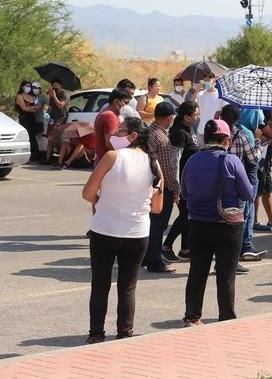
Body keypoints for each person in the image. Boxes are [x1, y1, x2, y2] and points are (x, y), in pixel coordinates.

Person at [82, 117, 164, 343]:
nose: (116, 133)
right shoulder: (153, 164)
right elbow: (157, 207)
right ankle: (124, 333)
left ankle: (96, 334)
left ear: (133, 135)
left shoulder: (112, 157)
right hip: (137, 233)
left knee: (100, 284)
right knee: (128, 287)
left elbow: (88, 192)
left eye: (121, 130)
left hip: (105, 229)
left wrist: (101, 201)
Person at [181, 120, 254, 325]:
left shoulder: (193, 160)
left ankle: (192, 316)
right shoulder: (231, 161)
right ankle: (226, 317)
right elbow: (248, 193)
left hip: (198, 224)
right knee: (226, 275)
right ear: (227, 140)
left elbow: (185, 193)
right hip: (227, 226)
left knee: (197, 272)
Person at [220, 104, 267, 265]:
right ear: (237, 118)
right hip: (237, 180)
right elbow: (253, 159)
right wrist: (259, 146)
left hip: (218, 180)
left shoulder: (215, 133)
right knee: (241, 216)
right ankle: (239, 251)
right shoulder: (242, 135)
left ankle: (227, 251)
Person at [143, 102, 179, 273]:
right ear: (170, 118)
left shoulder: (148, 132)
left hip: (144, 185)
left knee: (149, 224)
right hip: (160, 188)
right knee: (158, 226)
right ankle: (155, 261)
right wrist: (175, 188)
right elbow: (166, 169)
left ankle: (146, 256)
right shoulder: (162, 138)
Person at [163, 101, 200, 262]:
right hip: (182, 182)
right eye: (196, 114)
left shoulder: (189, 128)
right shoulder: (178, 132)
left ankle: (186, 249)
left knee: (188, 214)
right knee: (185, 214)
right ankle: (166, 246)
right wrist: (176, 185)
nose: (198, 117)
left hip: (191, 180)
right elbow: (175, 161)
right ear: (186, 117)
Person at [94, 89, 133, 165]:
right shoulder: (110, 116)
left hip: (103, 161)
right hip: (109, 163)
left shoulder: (104, 113)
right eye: (125, 103)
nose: (127, 107)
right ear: (116, 102)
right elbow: (111, 143)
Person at [195, 72, 225, 146]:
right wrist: (197, 89)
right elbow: (191, 104)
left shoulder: (220, 95)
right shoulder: (200, 94)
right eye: (205, 81)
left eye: (208, 80)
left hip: (215, 131)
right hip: (201, 130)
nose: (207, 82)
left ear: (214, 80)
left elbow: (225, 111)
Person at [43, 79, 69, 163]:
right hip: (52, 119)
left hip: (60, 119)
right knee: (49, 140)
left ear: (61, 86)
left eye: (56, 86)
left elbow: (61, 105)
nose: (54, 87)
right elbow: (50, 107)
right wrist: (47, 113)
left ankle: (61, 159)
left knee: (54, 138)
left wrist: (54, 96)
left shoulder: (64, 94)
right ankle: (47, 159)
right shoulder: (52, 95)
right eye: (53, 86)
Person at [15, 80, 41, 162]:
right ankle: (28, 156)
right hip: (24, 118)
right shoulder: (19, 96)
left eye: (30, 86)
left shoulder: (33, 97)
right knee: (28, 136)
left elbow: (38, 107)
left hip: (32, 119)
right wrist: (32, 109)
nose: (28, 88)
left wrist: (32, 109)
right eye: (27, 86)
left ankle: (34, 156)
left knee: (33, 136)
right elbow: (24, 108)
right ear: (22, 87)